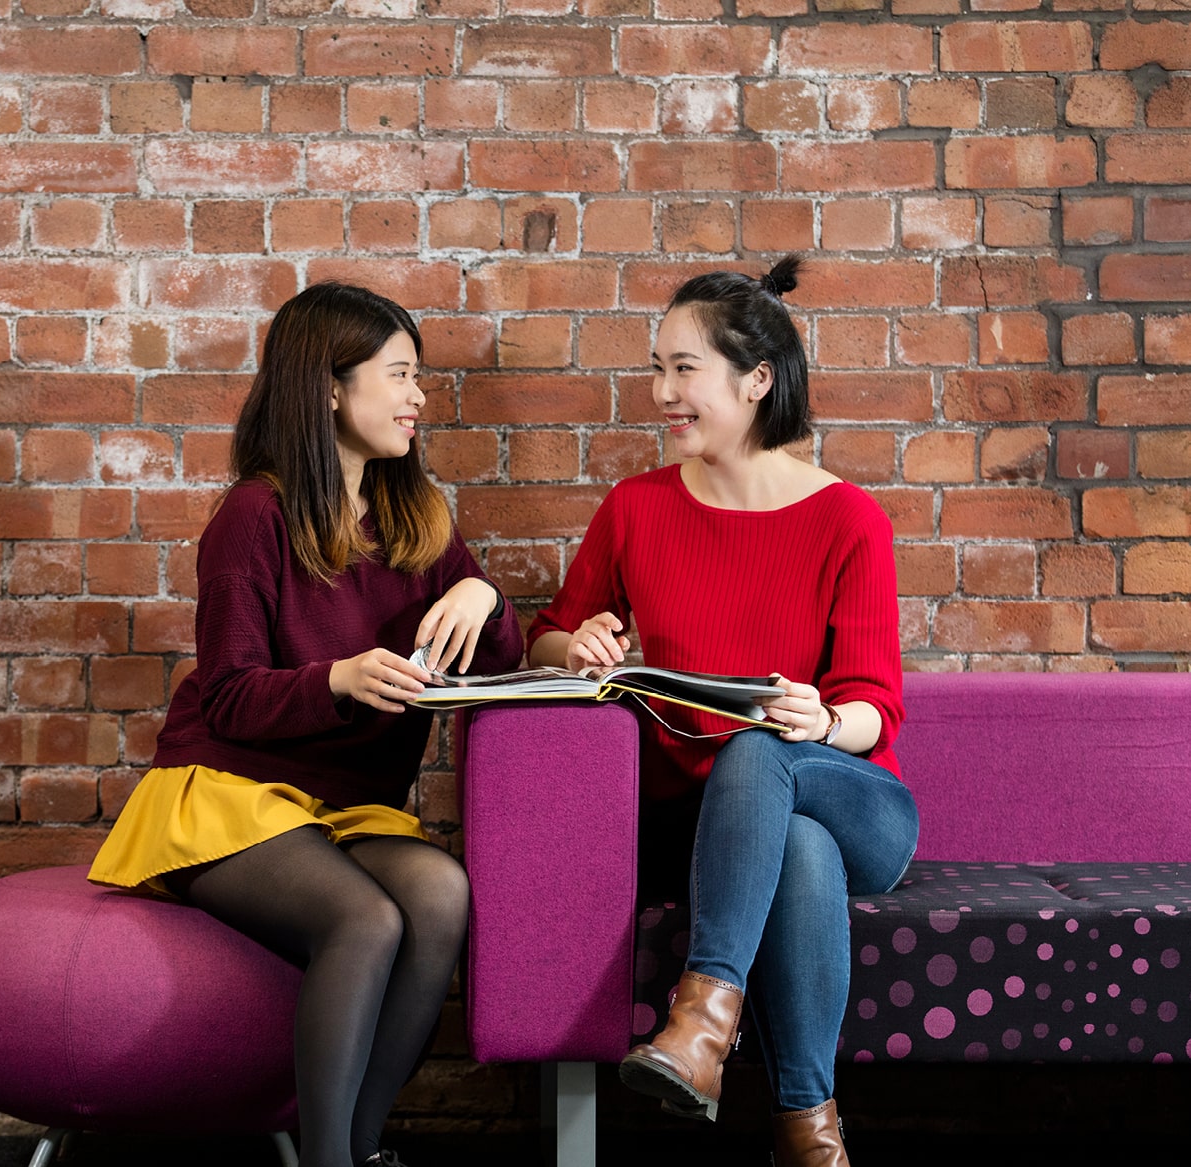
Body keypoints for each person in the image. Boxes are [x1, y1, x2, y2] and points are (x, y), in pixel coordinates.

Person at [89, 282, 523, 1167]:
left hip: (341, 806)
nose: (416, 399)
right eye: (399, 376)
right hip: (229, 790)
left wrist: (483, 590)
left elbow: (501, 656)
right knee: (366, 919)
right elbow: (230, 695)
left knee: (441, 894)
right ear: (330, 387)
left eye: (419, 380)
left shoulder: (417, 519)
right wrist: (341, 679)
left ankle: (360, 1150)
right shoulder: (255, 515)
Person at [526, 257, 919, 1167]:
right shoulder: (636, 510)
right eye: (656, 368)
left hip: (852, 792)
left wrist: (818, 722)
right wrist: (578, 644)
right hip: (700, 824)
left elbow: (875, 708)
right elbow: (543, 639)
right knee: (795, 848)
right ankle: (808, 1136)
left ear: (756, 380)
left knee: (767, 764)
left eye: (683, 369)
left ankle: (703, 1022)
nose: (662, 392)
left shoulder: (850, 520)